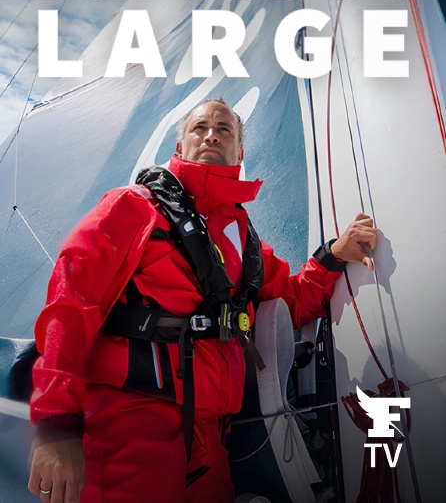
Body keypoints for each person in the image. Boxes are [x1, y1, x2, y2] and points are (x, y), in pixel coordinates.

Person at [28, 99, 377, 503]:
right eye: (200, 128)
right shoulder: (133, 207)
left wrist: (333, 255)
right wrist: (55, 425)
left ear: (239, 154)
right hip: (132, 422)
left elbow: (293, 300)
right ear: (180, 147)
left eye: (224, 130)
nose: (211, 135)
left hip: (213, 439)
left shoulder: (243, 242)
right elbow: (71, 305)